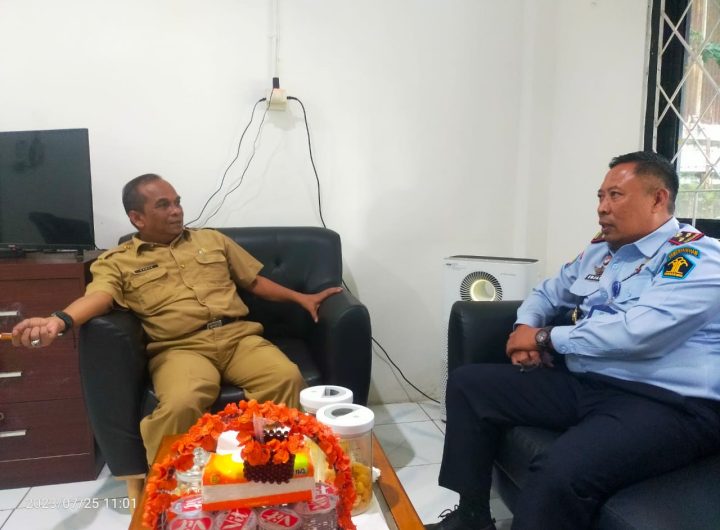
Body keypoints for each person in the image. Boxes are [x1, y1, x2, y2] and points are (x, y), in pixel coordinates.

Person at [429, 151, 720, 530]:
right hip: (589, 381)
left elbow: (638, 333)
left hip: (664, 403)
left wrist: (544, 337)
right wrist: (525, 327)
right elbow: (548, 293)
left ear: (657, 199)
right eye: (600, 196)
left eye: (615, 195)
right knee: (469, 385)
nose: (602, 208)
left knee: (558, 470)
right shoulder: (602, 251)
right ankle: (472, 516)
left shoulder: (697, 258)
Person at [12, 174, 341, 500]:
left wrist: (302, 298)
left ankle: (270, 469)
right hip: (180, 348)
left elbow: (253, 281)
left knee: (286, 377)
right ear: (137, 218)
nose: (176, 211)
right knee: (182, 402)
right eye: (163, 205)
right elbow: (100, 297)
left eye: (177, 202)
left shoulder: (212, 241)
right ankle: (172, 489)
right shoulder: (118, 261)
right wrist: (59, 320)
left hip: (238, 336)